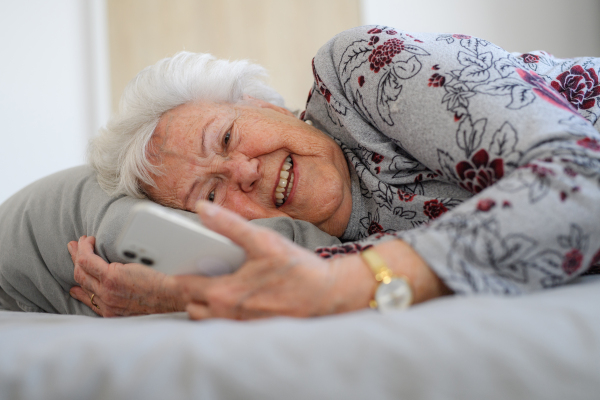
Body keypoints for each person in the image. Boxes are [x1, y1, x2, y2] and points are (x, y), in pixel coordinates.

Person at [68, 25, 600, 319]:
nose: (243, 172)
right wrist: (182, 293)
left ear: (264, 105)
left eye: (227, 137)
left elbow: (583, 175)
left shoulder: (359, 74)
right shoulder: (303, 250)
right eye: (211, 191)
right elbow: (302, 284)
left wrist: (342, 284)